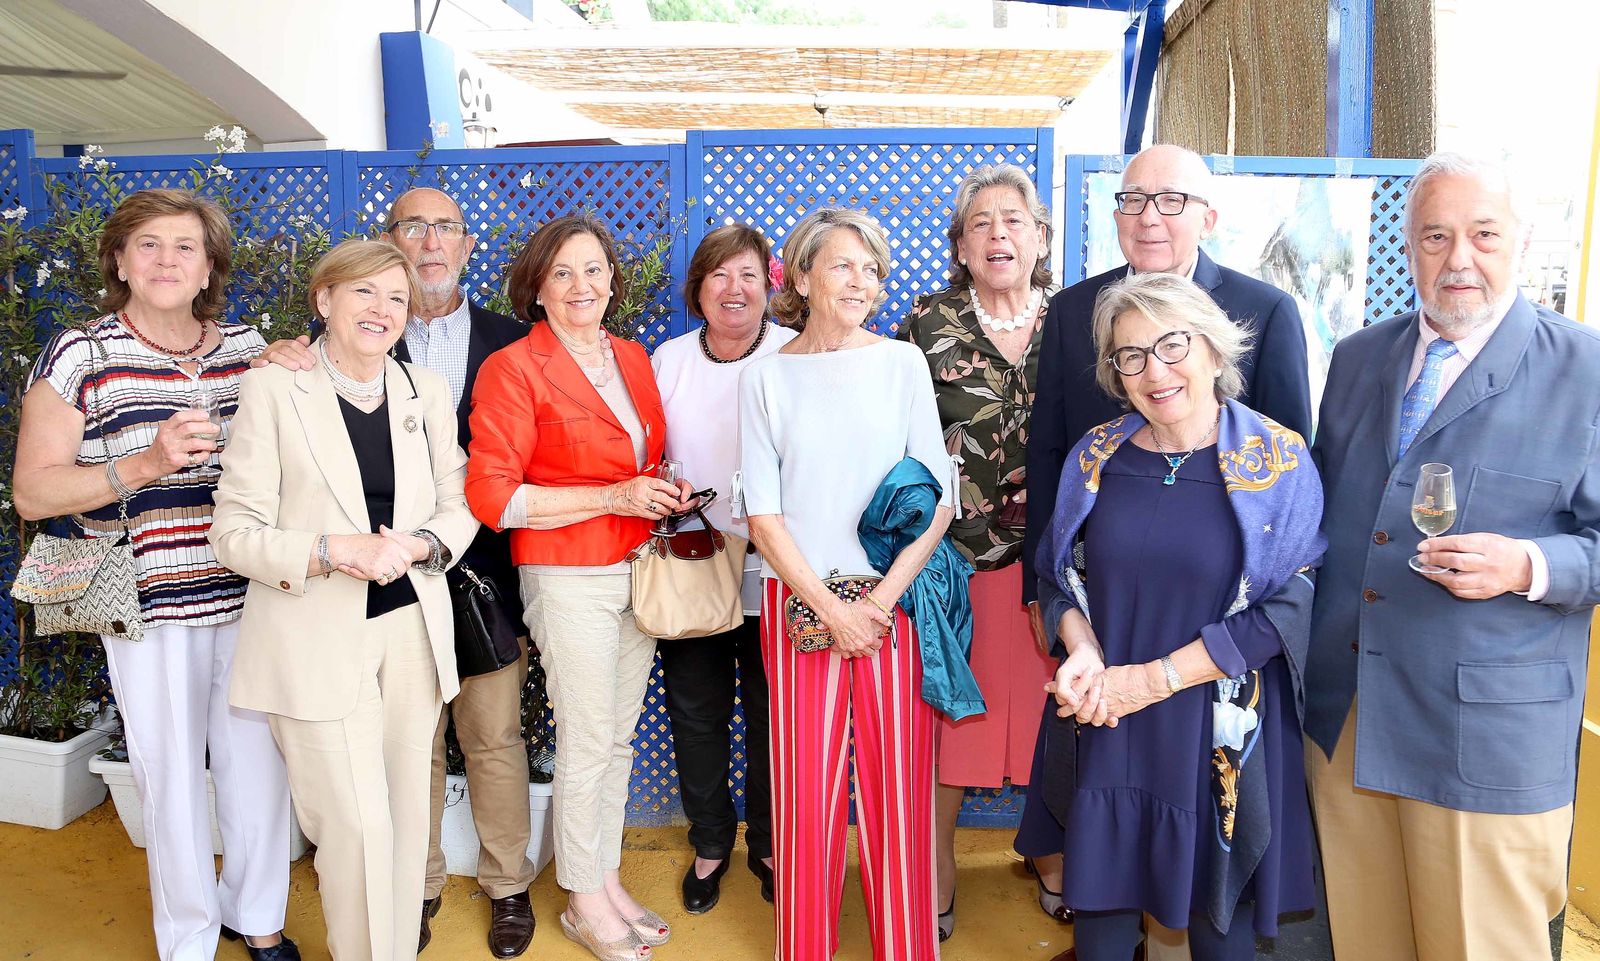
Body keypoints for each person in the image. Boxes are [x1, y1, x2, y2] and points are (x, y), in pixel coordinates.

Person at [1305, 152, 1600, 961]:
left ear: (1523, 242)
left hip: (1484, 737)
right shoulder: (1360, 357)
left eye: (1483, 234)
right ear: (1409, 248)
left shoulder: (1586, 368)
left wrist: (1528, 566)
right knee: (1366, 944)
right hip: (1350, 723)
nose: (1458, 258)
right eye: (1436, 236)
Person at [1018, 144, 1314, 916]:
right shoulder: (1076, 314)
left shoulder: (1268, 318)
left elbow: (1288, 533)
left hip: (1216, 671)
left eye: (1172, 200)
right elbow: (1050, 456)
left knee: (1214, 904)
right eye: (1134, 200)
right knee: (1109, 886)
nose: (1156, 371)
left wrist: (1154, 677)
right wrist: (1058, 617)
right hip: (1111, 628)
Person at [13, 189, 297, 961]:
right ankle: (188, 937)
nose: (167, 259)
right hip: (148, 602)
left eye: (184, 246)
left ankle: (259, 915)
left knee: (258, 767)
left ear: (210, 265)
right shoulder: (82, 354)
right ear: (119, 260)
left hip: (251, 594)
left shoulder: (246, 346)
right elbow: (33, 490)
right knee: (170, 777)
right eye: (149, 245)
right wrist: (144, 462)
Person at [252, 187, 534, 958]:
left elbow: (480, 482)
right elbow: (247, 517)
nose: (432, 241)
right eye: (416, 226)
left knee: (484, 746)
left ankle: (500, 890)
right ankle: (410, 900)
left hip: (463, 591)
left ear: (467, 244)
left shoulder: (495, 350)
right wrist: (343, 548)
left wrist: (420, 546)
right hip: (347, 608)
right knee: (379, 790)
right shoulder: (300, 366)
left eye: (447, 227)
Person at [210, 238, 479, 961]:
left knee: (400, 826)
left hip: (412, 638)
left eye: (396, 298)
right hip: (314, 643)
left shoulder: (422, 390)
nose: (382, 310)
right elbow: (232, 533)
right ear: (324, 300)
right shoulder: (274, 390)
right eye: (364, 293)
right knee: (356, 831)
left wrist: (419, 544)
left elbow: (460, 505)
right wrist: (332, 550)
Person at [465, 213, 695, 961]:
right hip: (566, 574)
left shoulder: (630, 357)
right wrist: (612, 498)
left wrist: (663, 488)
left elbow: (637, 461)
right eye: (562, 273)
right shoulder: (513, 367)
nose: (580, 286)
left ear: (612, 281)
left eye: (593, 270)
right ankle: (582, 899)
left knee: (617, 737)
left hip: (637, 568)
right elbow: (493, 498)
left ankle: (604, 877)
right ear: (536, 287)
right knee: (588, 738)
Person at [738, 208, 956, 961]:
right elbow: (762, 515)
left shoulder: (902, 363)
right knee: (805, 801)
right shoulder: (765, 376)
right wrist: (831, 608)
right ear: (800, 276)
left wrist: (877, 604)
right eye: (842, 265)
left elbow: (939, 498)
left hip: (889, 600)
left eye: (871, 268)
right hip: (798, 602)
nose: (860, 281)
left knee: (899, 798)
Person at [897, 164, 1065, 940]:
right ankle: (935, 875)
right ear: (960, 246)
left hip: (1054, 568)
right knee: (948, 732)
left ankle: (1055, 858)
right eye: (981, 223)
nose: (999, 234)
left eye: (1014, 219)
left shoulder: (1079, 318)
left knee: (1058, 722)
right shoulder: (924, 325)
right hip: (953, 566)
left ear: (1040, 236)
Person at [650, 224, 795, 913]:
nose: (733, 290)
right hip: (695, 561)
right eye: (718, 276)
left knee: (773, 714)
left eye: (747, 275)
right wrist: (663, 486)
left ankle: (768, 842)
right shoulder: (669, 358)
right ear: (698, 290)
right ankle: (710, 841)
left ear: (771, 283)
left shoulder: (796, 353)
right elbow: (645, 451)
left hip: (779, 567)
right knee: (697, 711)